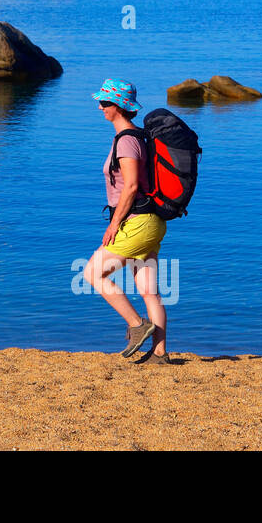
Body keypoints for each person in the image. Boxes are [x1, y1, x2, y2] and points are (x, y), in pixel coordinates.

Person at [81, 79, 170, 364]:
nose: (100, 107)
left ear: (119, 107)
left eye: (105, 103)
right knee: (149, 292)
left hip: (137, 222)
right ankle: (159, 355)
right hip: (151, 222)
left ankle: (136, 325)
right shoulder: (136, 137)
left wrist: (114, 223)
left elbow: (130, 187)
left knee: (92, 274)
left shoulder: (128, 141)